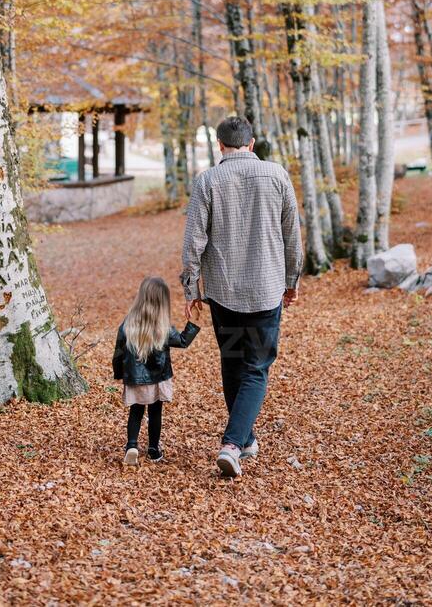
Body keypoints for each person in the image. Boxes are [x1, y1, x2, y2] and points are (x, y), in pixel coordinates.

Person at [181, 115, 302, 478]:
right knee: (256, 367)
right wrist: (292, 280)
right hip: (266, 291)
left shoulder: (207, 181)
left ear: (220, 145)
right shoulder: (277, 174)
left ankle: (245, 440)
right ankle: (233, 443)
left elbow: (193, 242)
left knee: (234, 361)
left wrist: (192, 288)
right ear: (252, 144)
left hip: (224, 294)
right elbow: (292, 234)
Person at [112, 276, 200, 466]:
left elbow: (118, 352)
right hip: (158, 378)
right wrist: (192, 324)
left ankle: (132, 446)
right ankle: (153, 449)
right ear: (163, 302)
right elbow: (182, 341)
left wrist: (120, 373)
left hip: (135, 379)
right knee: (155, 412)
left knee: (136, 412)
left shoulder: (128, 325)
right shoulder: (163, 328)